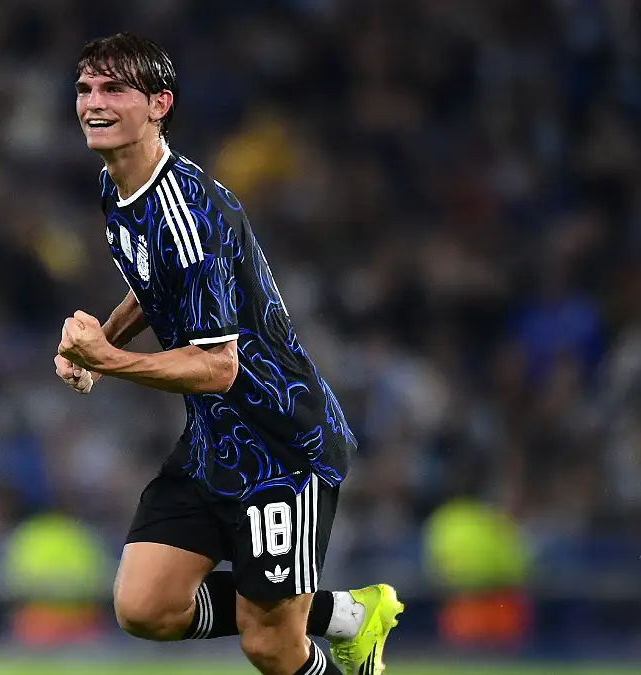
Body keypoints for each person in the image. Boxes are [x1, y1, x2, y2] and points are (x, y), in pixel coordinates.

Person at [54, 33, 403, 675]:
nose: (92, 103)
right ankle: (351, 614)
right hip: (215, 440)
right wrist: (103, 339)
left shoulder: (189, 209)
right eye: (85, 89)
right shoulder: (119, 188)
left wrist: (105, 359)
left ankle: (330, 626)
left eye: (113, 90)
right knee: (145, 605)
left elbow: (218, 368)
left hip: (279, 447)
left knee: (270, 643)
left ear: (159, 104)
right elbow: (153, 284)